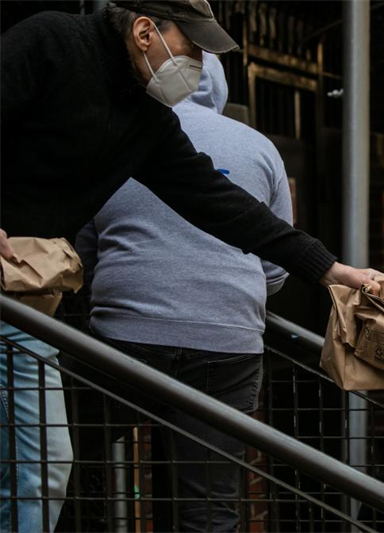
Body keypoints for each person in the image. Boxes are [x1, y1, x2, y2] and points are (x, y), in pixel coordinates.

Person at [0, 3, 374, 531]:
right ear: (145, 30)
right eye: (193, 47)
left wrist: (329, 270)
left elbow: (217, 202)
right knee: (39, 468)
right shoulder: (53, 42)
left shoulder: (145, 120)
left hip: (24, 295)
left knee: (43, 467)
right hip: (19, 292)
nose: (198, 64)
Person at [73, 52, 289, 531]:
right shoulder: (258, 148)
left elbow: (85, 250)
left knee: (73, 460)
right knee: (209, 507)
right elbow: (276, 264)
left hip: (124, 337)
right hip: (228, 340)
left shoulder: (115, 137)